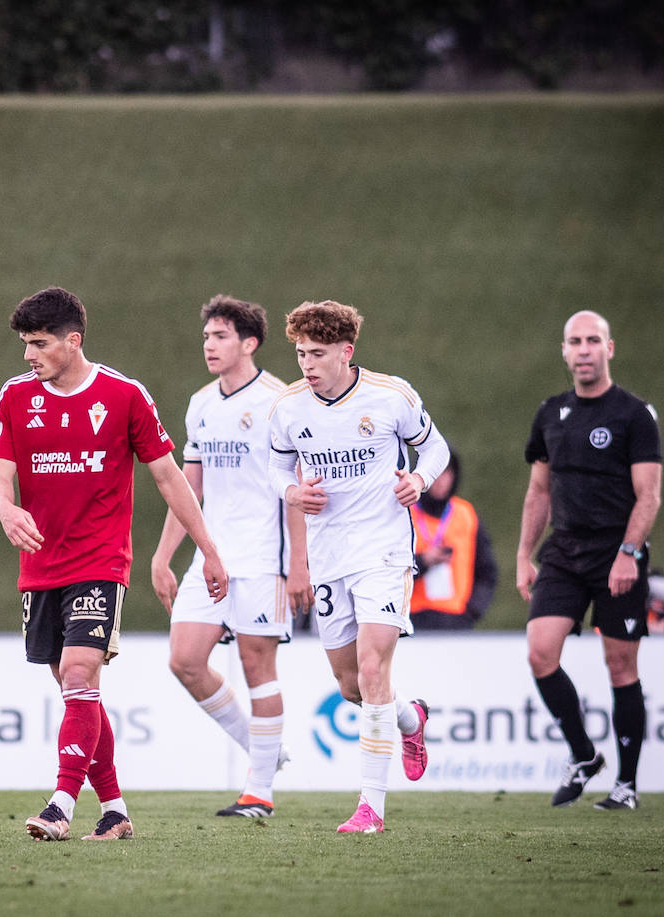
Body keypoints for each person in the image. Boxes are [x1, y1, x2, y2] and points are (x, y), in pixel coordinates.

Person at [0, 286, 229, 842]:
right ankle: (115, 810)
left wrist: (209, 551)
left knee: (77, 674)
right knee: (79, 691)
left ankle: (60, 804)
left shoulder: (124, 395)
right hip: (40, 566)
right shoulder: (15, 396)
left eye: (40, 343)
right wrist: (5, 510)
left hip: (100, 561)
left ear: (73, 341)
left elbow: (170, 478)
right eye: (25, 344)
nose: (29, 355)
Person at [267, 300, 446, 835]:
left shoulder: (392, 396)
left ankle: (370, 808)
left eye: (317, 354)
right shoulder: (289, 407)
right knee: (352, 686)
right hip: (329, 556)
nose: (307, 364)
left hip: (383, 551)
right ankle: (411, 717)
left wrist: (419, 481)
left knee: (372, 671)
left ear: (347, 352)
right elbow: (275, 469)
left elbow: (433, 449)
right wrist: (294, 491)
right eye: (300, 353)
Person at [150, 295, 308, 819]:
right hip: (212, 557)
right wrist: (163, 556)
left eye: (220, 337)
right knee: (185, 660)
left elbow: (297, 490)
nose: (209, 346)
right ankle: (267, 753)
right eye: (206, 338)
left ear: (249, 343)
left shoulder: (279, 402)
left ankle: (258, 791)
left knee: (256, 662)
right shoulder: (201, 404)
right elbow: (185, 489)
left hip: (265, 557)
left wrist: (298, 565)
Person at [517, 310, 661, 812]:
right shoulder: (550, 412)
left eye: (592, 340)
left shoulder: (633, 415)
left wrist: (628, 553)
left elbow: (649, 496)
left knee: (620, 665)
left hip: (616, 551)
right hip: (564, 550)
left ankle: (626, 785)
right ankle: (583, 755)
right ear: (564, 351)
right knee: (540, 652)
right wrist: (524, 556)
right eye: (574, 341)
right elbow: (539, 492)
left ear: (609, 348)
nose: (583, 349)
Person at [409, 450, 498, 631]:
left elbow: (487, 571)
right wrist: (422, 562)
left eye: (448, 472)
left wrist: (472, 611)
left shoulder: (465, 514)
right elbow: (387, 570)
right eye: (437, 473)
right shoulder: (404, 513)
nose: (442, 480)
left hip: (457, 620)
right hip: (413, 618)